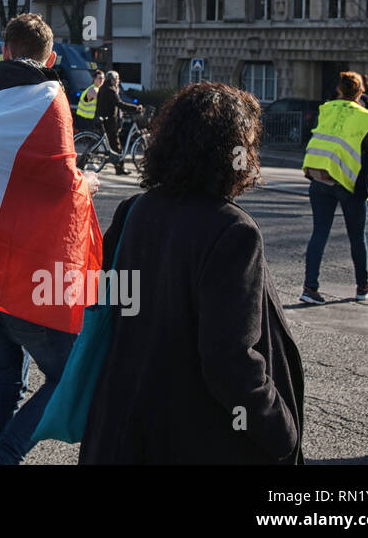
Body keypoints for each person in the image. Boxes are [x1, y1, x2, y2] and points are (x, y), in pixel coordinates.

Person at [80, 82, 304, 464]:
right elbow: (229, 361)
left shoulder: (134, 210)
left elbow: (110, 307)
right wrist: (282, 432)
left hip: (120, 429)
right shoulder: (233, 231)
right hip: (191, 437)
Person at [0, 13, 100, 465]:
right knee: (68, 373)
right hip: (29, 277)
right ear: (50, 57)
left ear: (6, 51)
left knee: (4, 380)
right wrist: (87, 182)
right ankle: (4, 457)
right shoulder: (48, 99)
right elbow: (60, 183)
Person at [300, 72, 368, 305]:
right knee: (357, 236)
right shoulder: (364, 117)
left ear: (339, 90)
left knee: (319, 233)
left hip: (320, 176)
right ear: (360, 92)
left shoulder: (327, 109)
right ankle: (362, 286)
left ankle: (310, 288)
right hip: (349, 181)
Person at [94, 69, 142, 174]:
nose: (118, 81)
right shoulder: (110, 90)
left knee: (109, 144)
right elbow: (119, 103)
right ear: (112, 80)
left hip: (102, 119)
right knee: (117, 146)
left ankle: (118, 167)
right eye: (117, 79)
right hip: (110, 121)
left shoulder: (103, 88)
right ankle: (120, 169)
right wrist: (135, 108)